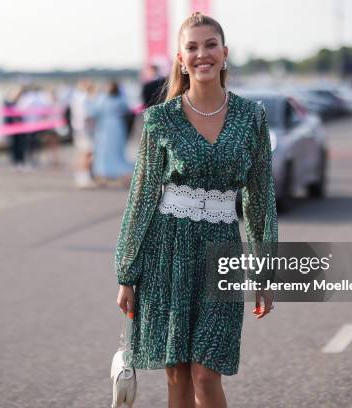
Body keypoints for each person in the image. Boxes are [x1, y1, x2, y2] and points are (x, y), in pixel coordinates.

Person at [114, 12, 278, 408]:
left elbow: (260, 200)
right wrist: (127, 272)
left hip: (222, 251)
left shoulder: (251, 116)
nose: (201, 54)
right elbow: (142, 197)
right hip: (166, 251)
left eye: (209, 46)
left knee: (207, 372)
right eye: (192, 47)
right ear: (180, 58)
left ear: (224, 54)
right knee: (179, 376)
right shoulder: (160, 120)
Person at [88, 81, 133, 187]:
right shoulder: (121, 99)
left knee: (105, 152)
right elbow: (127, 110)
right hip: (117, 126)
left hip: (105, 127)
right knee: (116, 152)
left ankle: (105, 175)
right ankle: (119, 174)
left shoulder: (102, 99)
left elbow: (93, 111)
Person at [69, 79, 96, 188]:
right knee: (86, 153)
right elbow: (86, 115)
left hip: (78, 128)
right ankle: (84, 177)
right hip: (85, 129)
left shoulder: (76, 97)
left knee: (82, 153)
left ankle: (82, 177)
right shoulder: (84, 98)